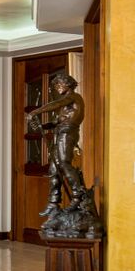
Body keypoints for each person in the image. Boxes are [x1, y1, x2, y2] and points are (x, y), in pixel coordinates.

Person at [25, 72, 85, 218]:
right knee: (53, 169)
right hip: (60, 133)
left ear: (68, 84)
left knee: (64, 163)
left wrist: (36, 111)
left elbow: (56, 104)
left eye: (59, 84)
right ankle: (53, 203)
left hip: (68, 133)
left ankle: (78, 197)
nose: (57, 87)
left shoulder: (74, 97)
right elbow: (57, 122)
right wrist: (44, 126)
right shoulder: (67, 104)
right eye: (56, 85)